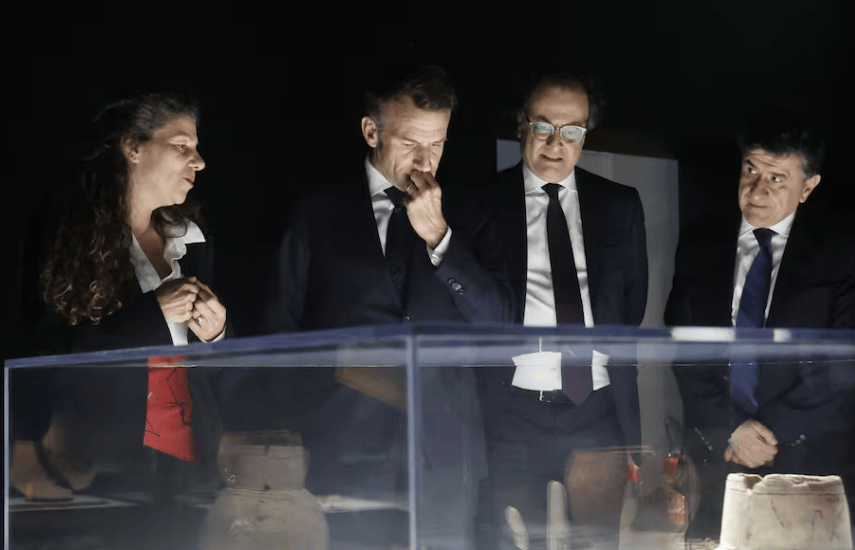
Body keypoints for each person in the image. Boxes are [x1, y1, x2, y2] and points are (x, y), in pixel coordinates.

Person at [250, 65, 512, 549]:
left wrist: (440, 238)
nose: (425, 160)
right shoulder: (318, 210)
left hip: (442, 458)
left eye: (437, 144)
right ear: (372, 132)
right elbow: (278, 332)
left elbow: (500, 324)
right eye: (410, 142)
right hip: (339, 450)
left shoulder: (469, 212)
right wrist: (281, 440)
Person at [11, 93, 225, 503]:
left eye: (197, 148)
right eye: (182, 146)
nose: (198, 161)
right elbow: (49, 351)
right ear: (133, 147)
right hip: (95, 470)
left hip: (186, 469)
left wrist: (217, 332)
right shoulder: (68, 233)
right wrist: (154, 314)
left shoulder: (192, 239)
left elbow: (210, 365)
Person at [663, 120, 855, 539]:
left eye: (777, 178)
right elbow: (682, 348)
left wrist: (763, 436)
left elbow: (843, 364)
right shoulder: (702, 239)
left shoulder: (841, 249)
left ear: (807, 187)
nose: (758, 190)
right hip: (717, 453)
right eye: (751, 170)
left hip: (805, 458)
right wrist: (733, 428)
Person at [479, 72, 648, 548]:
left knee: (598, 542)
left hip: (597, 409)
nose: (557, 143)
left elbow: (630, 309)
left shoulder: (620, 205)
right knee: (517, 539)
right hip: (514, 410)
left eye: (572, 130)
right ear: (521, 125)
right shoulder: (480, 202)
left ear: (585, 134)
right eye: (543, 126)